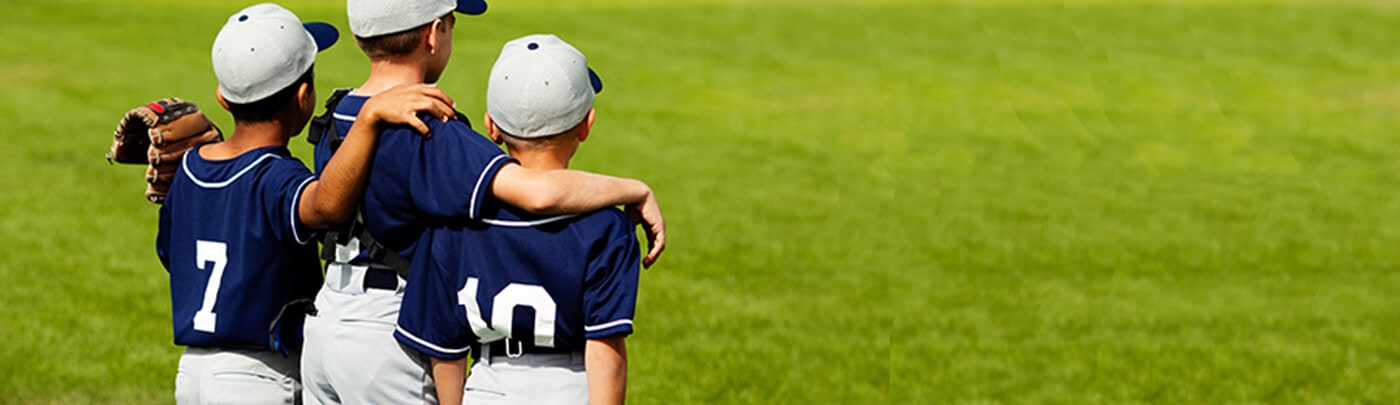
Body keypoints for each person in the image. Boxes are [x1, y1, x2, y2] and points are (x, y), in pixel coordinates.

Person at [298, 0, 666, 404]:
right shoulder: (430, 128)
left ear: (357, 35)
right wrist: (635, 189)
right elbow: (538, 192)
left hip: (324, 324)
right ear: (434, 33)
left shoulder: (338, 114)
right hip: (387, 333)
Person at [157, 3, 456, 403]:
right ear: (303, 97)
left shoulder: (191, 168)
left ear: (222, 99)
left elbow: (171, 253)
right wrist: (369, 119)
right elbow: (327, 206)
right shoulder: (278, 176)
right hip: (258, 376)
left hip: (192, 372)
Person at [394, 34, 640, 405]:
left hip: (489, 386)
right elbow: (606, 350)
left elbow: (445, 347)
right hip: (570, 386)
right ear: (586, 125)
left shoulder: (455, 220)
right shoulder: (606, 226)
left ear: (490, 127)